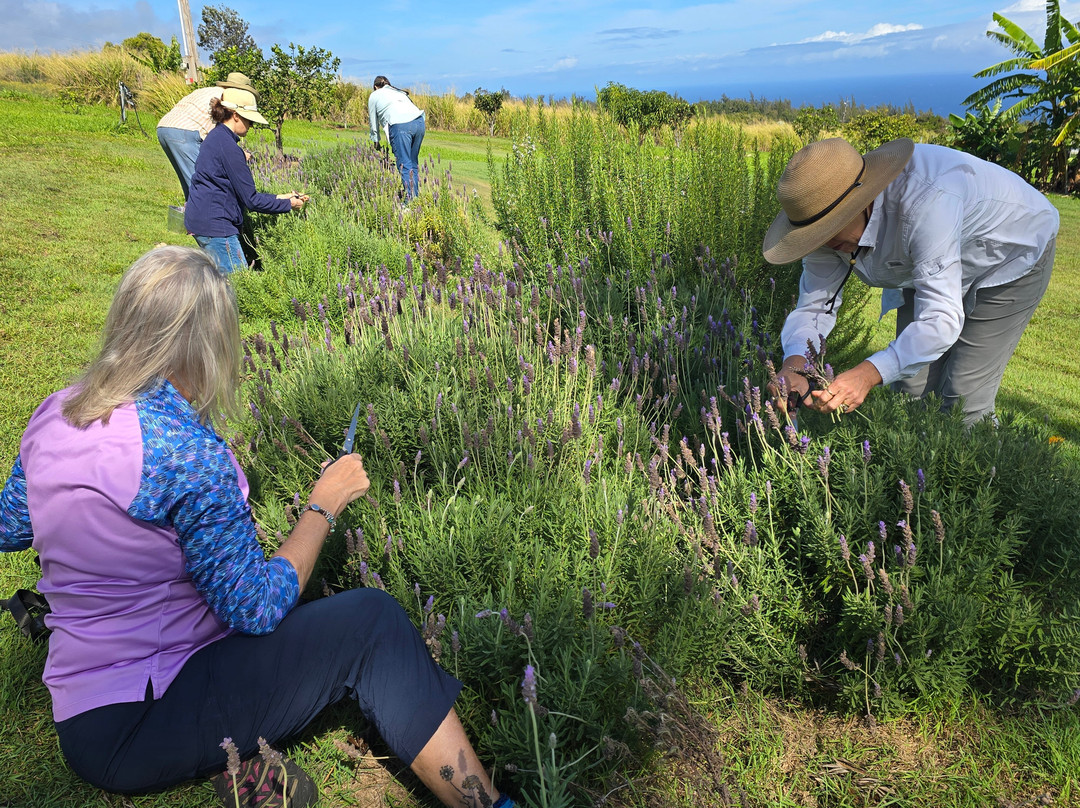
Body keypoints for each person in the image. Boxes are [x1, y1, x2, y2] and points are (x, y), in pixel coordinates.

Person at [0, 246, 515, 808]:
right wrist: (323, 505)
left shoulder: (59, 411)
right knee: (374, 623)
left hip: (82, 717)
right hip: (147, 718)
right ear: (200, 347)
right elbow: (256, 607)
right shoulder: (184, 454)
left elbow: (13, 523)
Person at [763, 137, 1058, 426]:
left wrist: (868, 373)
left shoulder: (926, 203)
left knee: (965, 400)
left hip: (1010, 253)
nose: (824, 242)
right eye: (815, 234)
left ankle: (981, 472)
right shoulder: (827, 231)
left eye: (831, 228)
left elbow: (940, 320)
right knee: (908, 394)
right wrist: (796, 365)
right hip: (926, 261)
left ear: (862, 201)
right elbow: (815, 307)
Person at [184, 87, 307, 274]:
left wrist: (283, 196)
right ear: (235, 115)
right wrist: (290, 204)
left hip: (202, 221)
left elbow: (240, 192)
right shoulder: (229, 148)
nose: (251, 125)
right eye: (249, 119)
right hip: (217, 227)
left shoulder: (216, 137)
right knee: (239, 287)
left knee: (218, 284)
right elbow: (252, 201)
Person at [156, 72, 257, 201]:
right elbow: (221, 138)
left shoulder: (208, 90)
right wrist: (238, 154)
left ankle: (189, 216)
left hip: (165, 127)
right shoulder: (226, 100)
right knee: (201, 186)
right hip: (186, 132)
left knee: (190, 185)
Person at [368, 75, 426, 202]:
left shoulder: (375, 95)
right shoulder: (400, 92)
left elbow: (373, 123)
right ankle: (416, 202)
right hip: (420, 123)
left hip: (400, 125)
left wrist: (375, 141)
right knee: (412, 164)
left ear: (375, 87)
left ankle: (409, 205)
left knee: (404, 165)